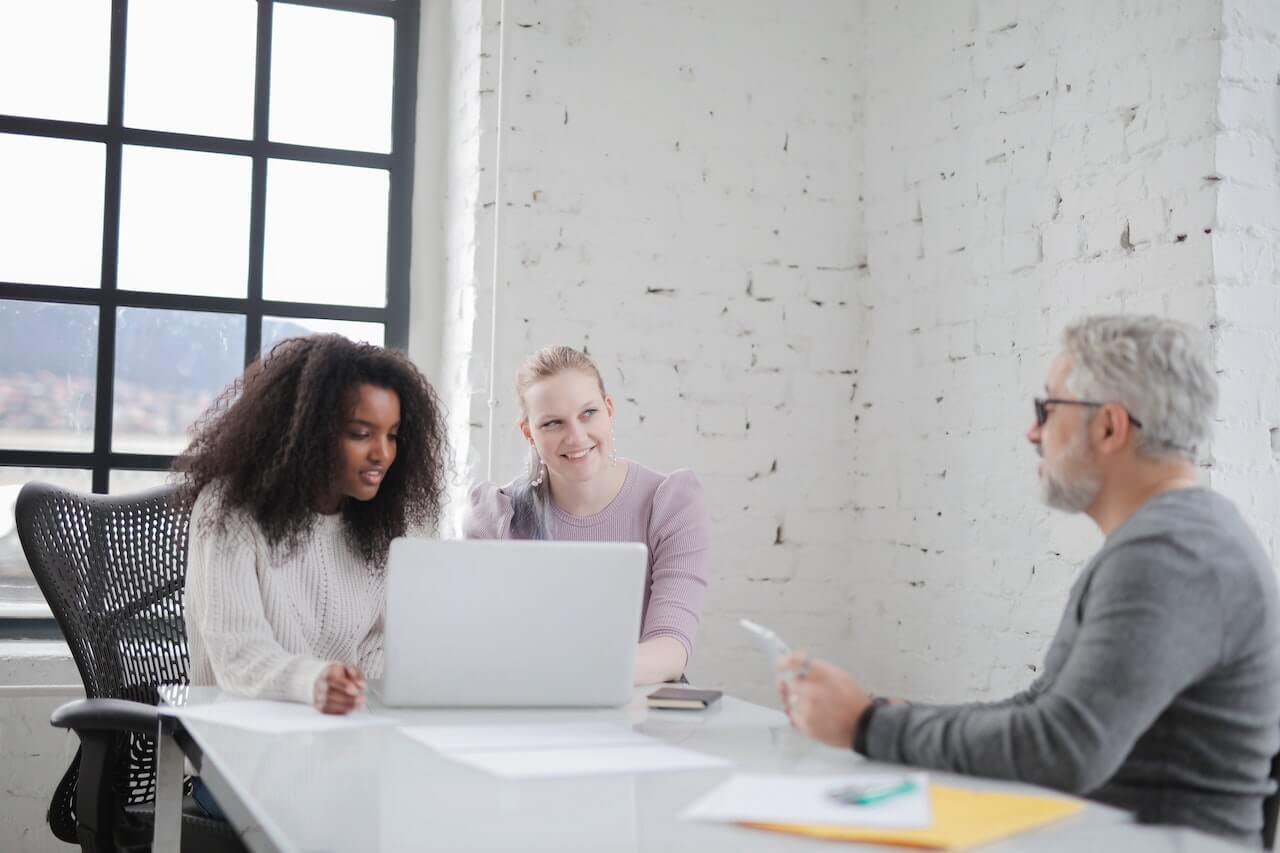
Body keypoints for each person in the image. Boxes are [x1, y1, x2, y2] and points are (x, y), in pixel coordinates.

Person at [779, 315, 1280, 846]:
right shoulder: (1174, 540)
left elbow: (1061, 748)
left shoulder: (1170, 556)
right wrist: (882, 716)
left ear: (1109, 426)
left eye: (1048, 408)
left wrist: (866, 727)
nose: (1033, 432)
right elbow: (1044, 706)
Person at [177, 334, 449, 715]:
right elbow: (238, 655)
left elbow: (375, 644)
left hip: (340, 743)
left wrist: (362, 696)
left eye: (392, 435)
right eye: (360, 434)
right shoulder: (228, 510)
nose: (382, 454)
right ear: (306, 431)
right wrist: (314, 682)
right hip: (241, 746)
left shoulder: (375, 524)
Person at [464, 345, 710, 685]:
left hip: (638, 712)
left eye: (588, 413)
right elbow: (480, 645)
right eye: (552, 423)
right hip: (530, 710)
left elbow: (669, 651)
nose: (576, 437)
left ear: (609, 411)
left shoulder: (670, 504)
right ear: (528, 433)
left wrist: (561, 674)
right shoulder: (497, 516)